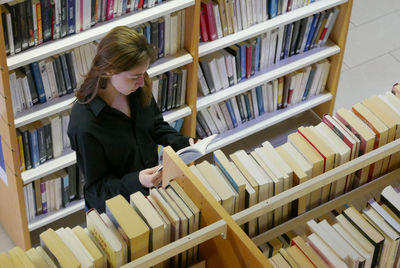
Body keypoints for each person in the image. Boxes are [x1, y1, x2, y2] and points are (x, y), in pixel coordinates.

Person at [67, 26, 195, 213]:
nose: (142, 82)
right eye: (135, 76)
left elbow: (155, 126)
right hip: (116, 208)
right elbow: (97, 190)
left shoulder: (137, 87)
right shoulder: (84, 125)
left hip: (150, 192)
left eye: (143, 73)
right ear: (109, 71)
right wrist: (137, 181)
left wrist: (184, 143)